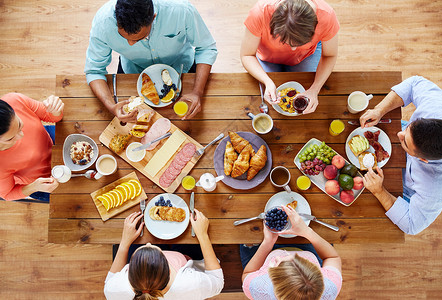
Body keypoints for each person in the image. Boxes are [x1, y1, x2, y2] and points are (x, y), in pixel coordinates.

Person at [85, 0, 218, 122]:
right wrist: (111, 106)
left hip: (183, 67)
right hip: (132, 71)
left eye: (139, 38)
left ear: (153, 17)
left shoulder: (181, 10)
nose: (130, 44)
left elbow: (206, 48)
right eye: (123, 37)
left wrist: (197, 92)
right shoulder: (103, 23)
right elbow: (94, 70)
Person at [360, 76, 442, 235]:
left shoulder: (437, 188)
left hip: (404, 184)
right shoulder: (437, 108)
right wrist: (379, 110)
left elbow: (412, 225)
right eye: (409, 128)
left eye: (405, 142)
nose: (399, 134)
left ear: (422, 159)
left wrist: (380, 191)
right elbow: (414, 83)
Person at [240, 0, 339, 114]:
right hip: (267, 57)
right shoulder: (259, 13)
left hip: (305, 56)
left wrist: (314, 89)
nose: (293, 50)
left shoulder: (327, 16)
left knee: (308, 87)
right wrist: (267, 81)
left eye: (299, 44)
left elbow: (329, 55)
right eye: (287, 43)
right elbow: (247, 55)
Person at [104, 210, 224, 299]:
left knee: (141, 236)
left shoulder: (115, 290)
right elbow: (218, 281)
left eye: (145, 247)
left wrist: (125, 241)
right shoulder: (190, 284)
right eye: (159, 251)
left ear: (129, 273)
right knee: (185, 236)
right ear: (169, 270)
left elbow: (111, 279)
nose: (149, 243)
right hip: (184, 258)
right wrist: (203, 235)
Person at [241, 205, 342, 299]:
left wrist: (267, 243)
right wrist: (307, 232)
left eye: (277, 262)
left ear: (272, 280)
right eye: (299, 259)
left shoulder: (258, 289)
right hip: (306, 247)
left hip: (266, 253)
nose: (279, 257)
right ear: (317, 272)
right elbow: (332, 257)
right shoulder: (331, 287)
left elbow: (248, 273)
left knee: (245, 237)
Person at [0, 93, 64, 201]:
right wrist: (34, 187)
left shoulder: (14, 100)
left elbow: (52, 117)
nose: (22, 135)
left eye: (20, 125)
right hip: (44, 182)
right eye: (10, 138)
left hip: (52, 140)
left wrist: (55, 109)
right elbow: (8, 194)